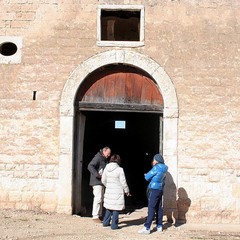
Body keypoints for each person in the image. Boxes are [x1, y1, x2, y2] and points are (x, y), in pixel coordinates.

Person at [138, 153, 168, 234]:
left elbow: (147, 177)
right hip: (160, 189)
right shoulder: (165, 168)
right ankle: (159, 226)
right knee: (159, 207)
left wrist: (145, 175)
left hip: (154, 188)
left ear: (157, 160)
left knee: (151, 207)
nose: (153, 161)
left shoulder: (156, 168)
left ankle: (147, 227)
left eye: (154, 159)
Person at [101, 154, 131, 230]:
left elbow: (103, 180)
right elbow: (123, 182)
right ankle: (114, 225)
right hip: (117, 191)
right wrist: (127, 190)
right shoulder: (120, 169)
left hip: (109, 190)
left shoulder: (106, 168)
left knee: (108, 206)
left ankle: (105, 222)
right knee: (115, 208)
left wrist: (108, 186)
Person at [88, 147, 111, 223]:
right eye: (108, 153)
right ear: (104, 151)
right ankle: (95, 216)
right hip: (97, 181)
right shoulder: (98, 158)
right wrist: (97, 175)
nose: (109, 155)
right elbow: (90, 166)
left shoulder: (104, 159)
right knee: (98, 198)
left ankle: (99, 214)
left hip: (101, 182)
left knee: (100, 199)